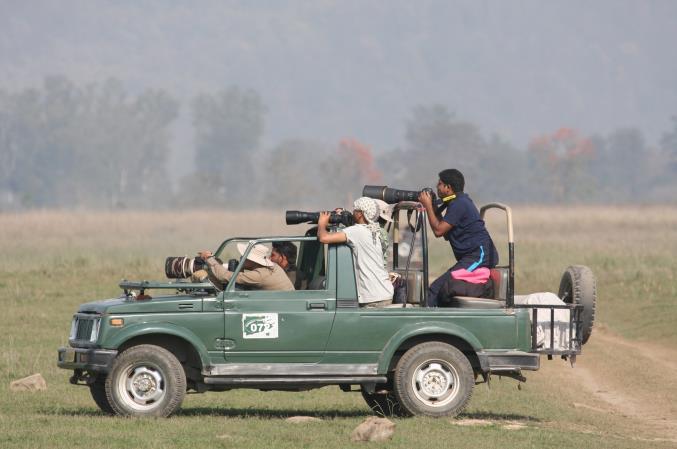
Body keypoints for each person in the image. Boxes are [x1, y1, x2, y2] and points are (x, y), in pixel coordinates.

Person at [418, 168, 498, 307]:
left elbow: (438, 230)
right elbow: (443, 231)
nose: (437, 186)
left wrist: (428, 207)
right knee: (438, 288)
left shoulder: (459, 204)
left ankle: (427, 318)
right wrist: (432, 207)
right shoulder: (455, 201)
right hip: (471, 257)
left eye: (440, 183)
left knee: (437, 288)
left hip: (479, 256)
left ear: (448, 187)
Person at [317, 197, 394, 307]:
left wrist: (322, 223)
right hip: (383, 292)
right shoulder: (373, 230)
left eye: (354, 210)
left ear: (360, 214)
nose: (352, 213)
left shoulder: (357, 232)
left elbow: (323, 238)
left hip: (373, 297)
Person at [198, 242, 294, 291]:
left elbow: (224, 276)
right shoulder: (273, 267)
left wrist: (209, 258)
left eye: (245, 256)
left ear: (253, 260)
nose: (241, 258)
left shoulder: (260, 275)